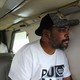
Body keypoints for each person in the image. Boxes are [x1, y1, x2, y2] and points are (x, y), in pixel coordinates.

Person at [8, 13, 79, 80]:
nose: (67, 33)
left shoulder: (61, 54)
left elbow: (67, 78)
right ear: (46, 34)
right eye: (62, 30)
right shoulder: (26, 54)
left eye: (68, 29)